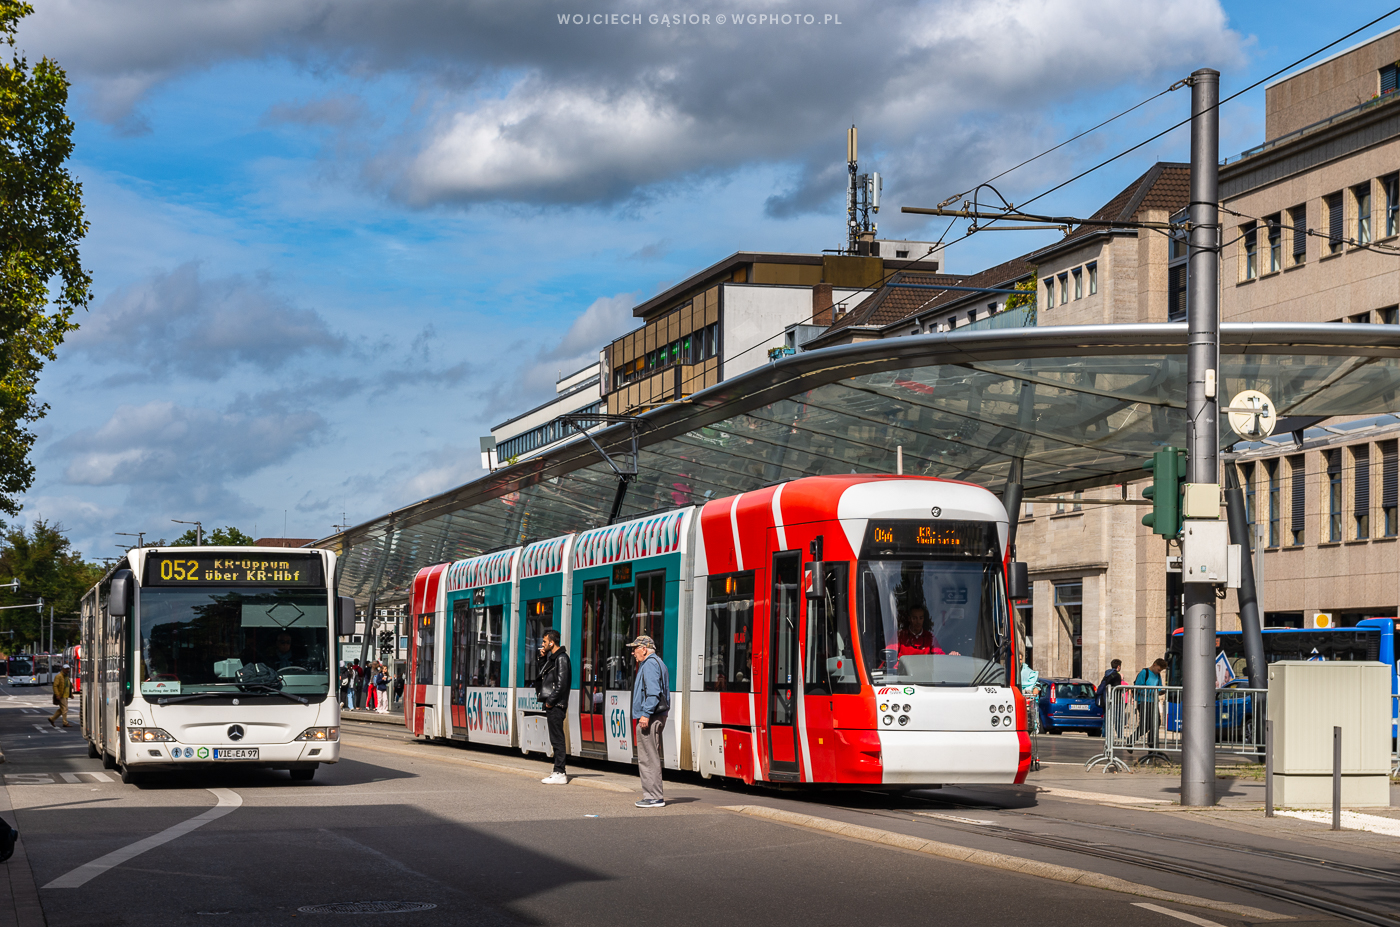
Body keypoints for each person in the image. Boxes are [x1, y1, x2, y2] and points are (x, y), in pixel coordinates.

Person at [629, 635, 670, 808]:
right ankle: (653, 795)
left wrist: (645, 714)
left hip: (651, 717)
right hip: (655, 715)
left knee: (648, 757)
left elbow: (653, 693)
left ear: (644, 649)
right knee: (649, 755)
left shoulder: (650, 664)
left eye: (635, 649)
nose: (633, 653)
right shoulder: (657, 663)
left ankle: (654, 796)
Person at [535, 629, 572, 784]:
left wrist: (550, 701)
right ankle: (557, 770)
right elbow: (544, 676)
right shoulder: (554, 658)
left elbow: (562, 684)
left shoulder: (562, 658)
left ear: (552, 642)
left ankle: (560, 772)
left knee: (557, 739)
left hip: (556, 704)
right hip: (553, 703)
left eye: (544, 642)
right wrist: (542, 659)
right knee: (554, 738)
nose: (542, 644)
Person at [1133, 659, 1167, 749]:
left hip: (1153, 701)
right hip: (1143, 701)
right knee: (1146, 725)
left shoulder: (1158, 675)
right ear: (1154, 665)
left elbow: (1159, 687)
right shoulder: (1144, 673)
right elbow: (1138, 686)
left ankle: (1153, 746)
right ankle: (1131, 740)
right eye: (1159, 669)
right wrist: (1151, 691)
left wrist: (1162, 691)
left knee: (1156, 723)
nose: (1159, 672)